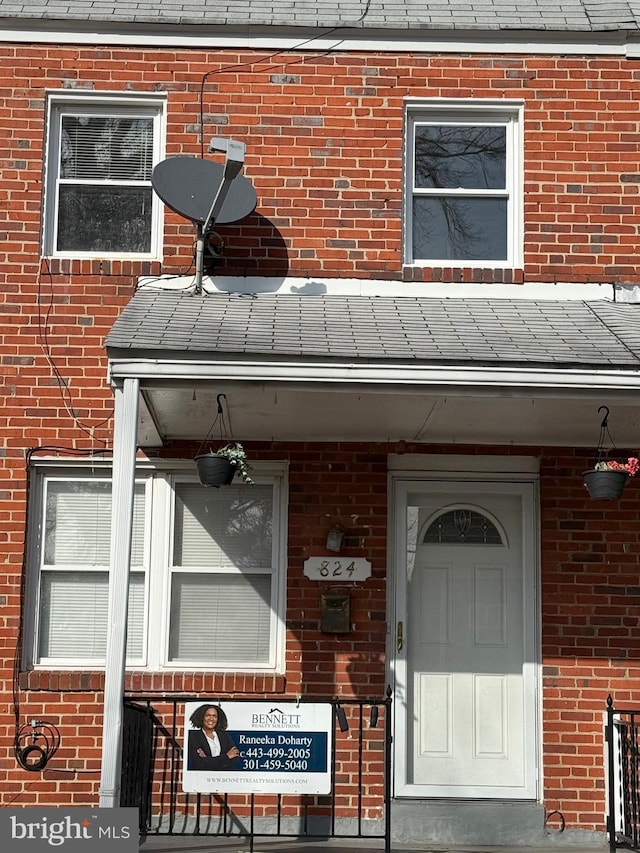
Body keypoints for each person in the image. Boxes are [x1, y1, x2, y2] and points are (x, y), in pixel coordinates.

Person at [186, 704, 240, 771]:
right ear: (202, 717)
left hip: (222, 778)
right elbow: (199, 763)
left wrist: (208, 760)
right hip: (202, 778)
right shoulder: (194, 737)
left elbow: (235, 758)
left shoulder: (224, 736)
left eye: (214, 716)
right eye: (207, 715)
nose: (211, 719)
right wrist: (226, 757)